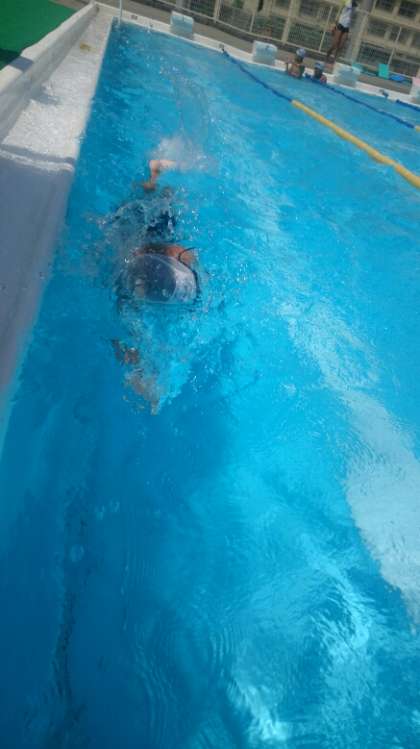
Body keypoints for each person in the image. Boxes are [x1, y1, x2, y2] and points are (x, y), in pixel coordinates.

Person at [111, 161, 200, 412]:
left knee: (151, 205)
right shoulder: (156, 258)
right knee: (155, 204)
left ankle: (156, 177)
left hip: (148, 255)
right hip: (149, 252)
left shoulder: (140, 272)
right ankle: (155, 176)